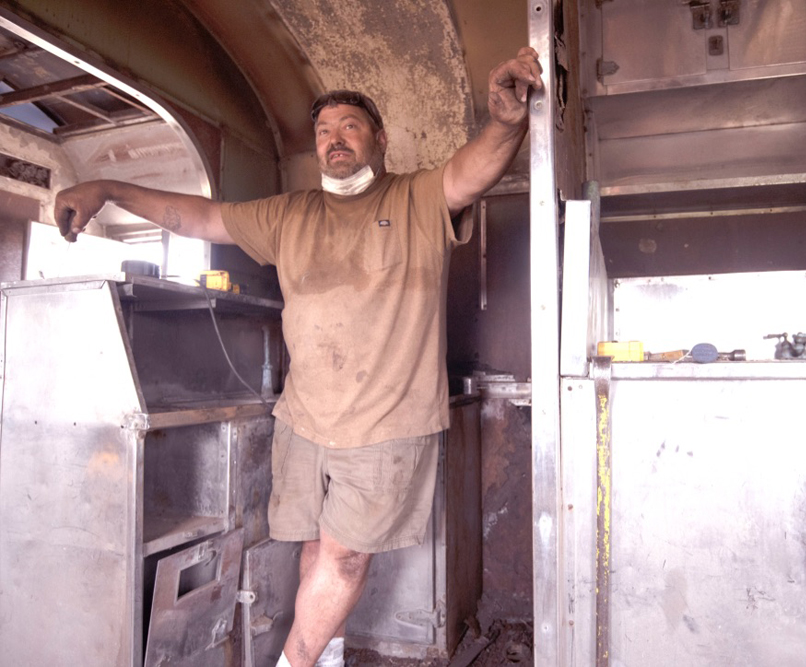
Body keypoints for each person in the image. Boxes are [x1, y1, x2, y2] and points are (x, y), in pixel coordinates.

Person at [54, 47, 542, 667]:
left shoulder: (416, 197)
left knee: (344, 556)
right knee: (313, 549)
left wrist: (504, 122)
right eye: (323, 131)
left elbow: (473, 171)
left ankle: (295, 663)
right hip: (304, 420)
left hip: (386, 426)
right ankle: (328, 656)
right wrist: (107, 187)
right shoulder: (291, 213)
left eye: (350, 126)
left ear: (380, 139)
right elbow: (200, 216)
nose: (334, 139)